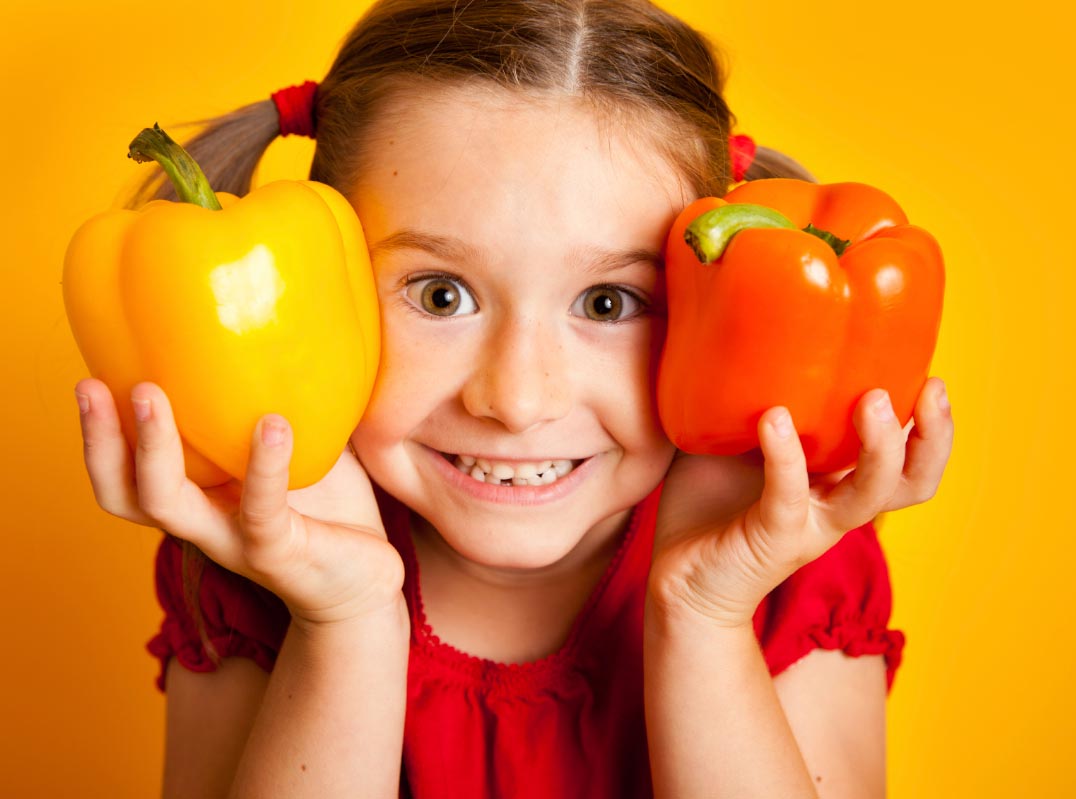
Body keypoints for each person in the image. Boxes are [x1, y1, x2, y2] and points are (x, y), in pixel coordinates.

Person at [72, 1, 954, 797]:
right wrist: (343, 618)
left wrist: (706, 616)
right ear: (321, 291)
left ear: (711, 306)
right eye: (441, 294)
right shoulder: (259, 553)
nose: (518, 397)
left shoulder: (788, 561)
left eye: (608, 303)